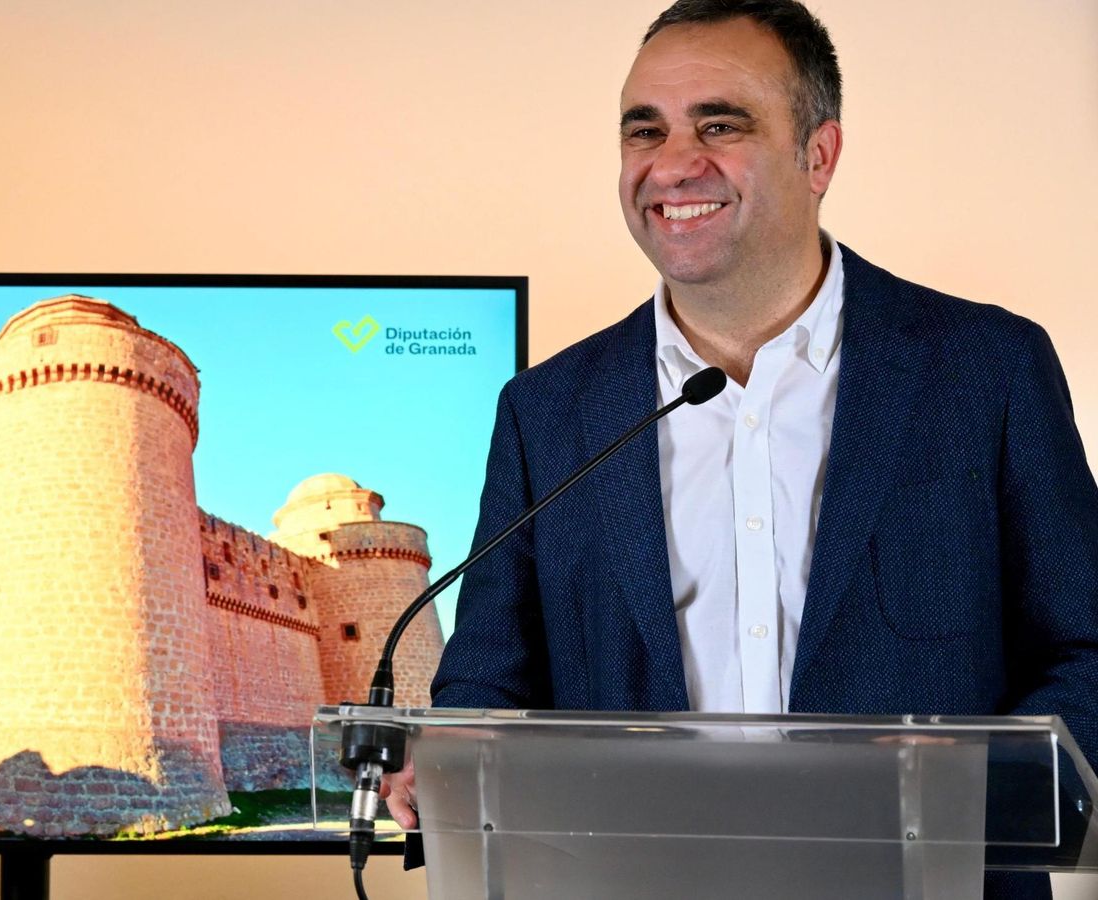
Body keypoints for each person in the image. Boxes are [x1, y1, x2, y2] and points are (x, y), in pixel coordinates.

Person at [382, 2, 1098, 898]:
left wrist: (968, 814)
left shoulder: (987, 371)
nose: (674, 164)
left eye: (721, 125)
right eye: (645, 131)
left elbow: (1086, 647)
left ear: (820, 155)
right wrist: (447, 753)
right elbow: (486, 675)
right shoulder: (548, 412)